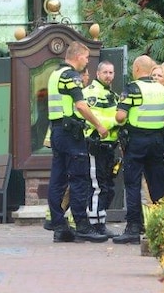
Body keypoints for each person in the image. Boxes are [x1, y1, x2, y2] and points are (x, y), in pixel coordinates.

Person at [112, 55, 164, 245]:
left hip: (136, 142)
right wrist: (161, 126)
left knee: (133, 184)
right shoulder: (162, 89)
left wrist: (123, 119)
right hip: (157, 141)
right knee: (158, 185)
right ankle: (163, 227)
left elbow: (119, 116)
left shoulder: (133, 88)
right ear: (151, 70)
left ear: (136, 69)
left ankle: (133, 229)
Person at [47, 42, 109, 243]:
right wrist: (99, 126)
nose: (87, 61)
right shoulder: (70, 75)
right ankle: (82, 225)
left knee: (58, 178)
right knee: (79, 179)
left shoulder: (55, 74)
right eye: (86, 57)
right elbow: (81, 106)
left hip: (57, 131)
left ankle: (59, 226)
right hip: (71, 134)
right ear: (76, 56)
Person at [82, 60, 120, 237]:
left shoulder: (112, 94)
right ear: (97, 74)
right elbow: (97, 119)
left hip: (110, 145)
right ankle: (95, 224)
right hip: (96, 144)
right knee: (98, 186)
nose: (108, 76)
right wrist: (116, 122)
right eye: (105, 72)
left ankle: (101, 222)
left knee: (107, 186)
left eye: (111, 72)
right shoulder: (91, 93)